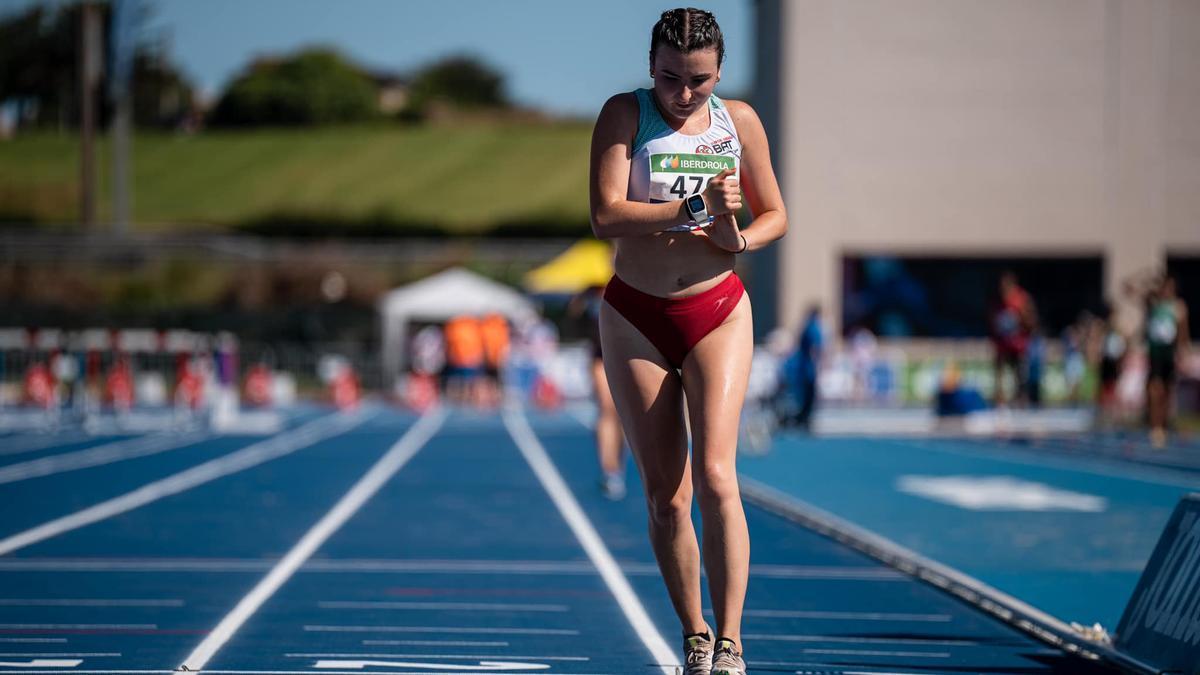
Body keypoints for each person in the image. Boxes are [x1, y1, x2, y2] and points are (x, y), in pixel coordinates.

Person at [589, 9, 787, 674]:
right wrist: (694, 207)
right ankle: (695, 633)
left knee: (717, 475)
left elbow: (775, 214)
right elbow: (605, 213)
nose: (683, 94)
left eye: (698, 81)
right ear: (652, 68)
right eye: (670, 78)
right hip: (635, 313)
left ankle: (730, 639)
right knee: (665, 494)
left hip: (717, 309)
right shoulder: (625, 113)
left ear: (719, 72)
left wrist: (739, 237)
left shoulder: (740, 121)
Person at [569, 284, 629, 500]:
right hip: (600, 355)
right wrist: (583, 297)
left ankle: (617, 466)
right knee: (606, 409)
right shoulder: (592, 291)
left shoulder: (633, 277)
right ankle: (609, 469)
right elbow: (575, 315)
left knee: (621, 414)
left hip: (628, 354)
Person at [1143, 275, 1190, 447]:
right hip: (1155, 354)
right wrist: (1149, 277)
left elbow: (1183, 332)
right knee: (1155, 389)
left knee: (1167, 392)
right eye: (1164, 287)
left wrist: (1183, 352)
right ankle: (1155, 427)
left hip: (1169, 354)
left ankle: (1163, 424)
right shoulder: (1153, 303)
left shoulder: (1178, 307)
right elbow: (1128, 289)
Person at [989, 271, 1037, 407]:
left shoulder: (1021, 299)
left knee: (1020, 376)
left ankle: (1020, 399)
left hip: (1018, 345)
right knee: (999, 372)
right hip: (1002, 345)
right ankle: (999, 399)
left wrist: (1023, 317)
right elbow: (992, 322)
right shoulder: (997, 301)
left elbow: (1031, 321)